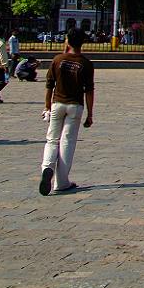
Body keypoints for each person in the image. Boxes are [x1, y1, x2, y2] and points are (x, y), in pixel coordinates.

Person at [39, 28, 94, 195]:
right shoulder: (85, 63)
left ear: (67, 40)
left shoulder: (57, 60)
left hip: (57, 103)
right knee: (67, 142)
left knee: (52, 139)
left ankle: (47, 167)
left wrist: (47, 105)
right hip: (75, 106)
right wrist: (90, 114)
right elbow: (89, 91)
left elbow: (49, 85)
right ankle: (61, 181)